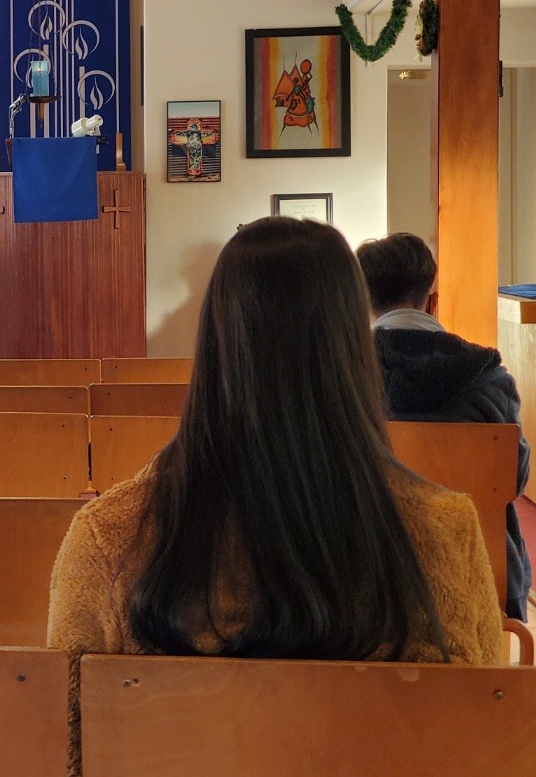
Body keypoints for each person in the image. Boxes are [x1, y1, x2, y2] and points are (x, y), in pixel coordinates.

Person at [47, 218, 502, 777]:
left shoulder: (106, 537)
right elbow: (483, 741)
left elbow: (65, 746)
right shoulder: (444, 531)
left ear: (213, 339)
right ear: (354, 347)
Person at [357, 231, 532, 620]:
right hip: (478, 569)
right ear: (432, 301)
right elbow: (514, 482)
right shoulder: (490, 378)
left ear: (363, 302)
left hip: (370, 568)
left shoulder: (339, 378)